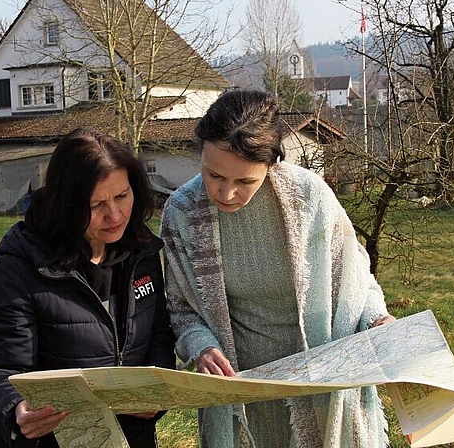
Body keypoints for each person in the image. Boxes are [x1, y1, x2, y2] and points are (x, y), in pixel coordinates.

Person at [160, 90, 395, 447]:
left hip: (321, 385)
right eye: (213, 175)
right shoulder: (182, 213)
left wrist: (378, 320)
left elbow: (354, 280)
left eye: (244, 181)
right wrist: (202, 346)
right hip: (242, 395)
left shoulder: (309, 197)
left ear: (270, 165)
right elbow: (181, 311)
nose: (225, 193)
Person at [0, 128, 176, 448]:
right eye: (96, 205)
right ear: (66, 205)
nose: (115, 215)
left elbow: (158, 335)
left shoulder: (143, 253)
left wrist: (154, 392)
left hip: (132, 439)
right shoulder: (19, 268)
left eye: (122, 196)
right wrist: (16, 411)